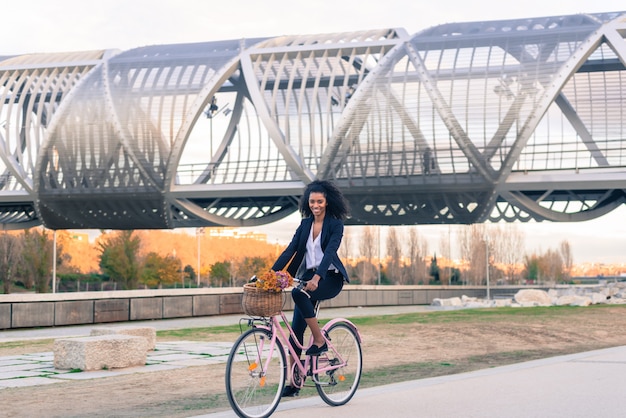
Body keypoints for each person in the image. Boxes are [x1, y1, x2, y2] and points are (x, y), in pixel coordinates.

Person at [271, 179, 350, 397]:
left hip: (329, 278)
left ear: (327, 202)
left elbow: (329, 254)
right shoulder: (305, 224)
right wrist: (270, 275)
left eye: (319, 201)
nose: (315, 205)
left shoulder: (335, 225)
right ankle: (294, 382)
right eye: (312, 201)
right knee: (294, 333)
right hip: (308, 278)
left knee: (299, 292)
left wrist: (317, 278)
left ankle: (319, 340)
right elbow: (290, 251)